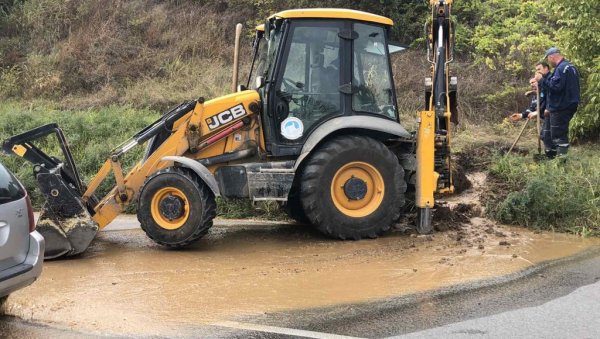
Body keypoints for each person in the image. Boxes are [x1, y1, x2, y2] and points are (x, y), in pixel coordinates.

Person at [534, 47, 580, 157]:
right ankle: (554, 159)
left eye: (548, 59)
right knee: (558, 133)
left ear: (552, 57)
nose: (549, 62)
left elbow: (556, 87)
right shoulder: (571, 67)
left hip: (562, 106)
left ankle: (560, 163)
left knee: (558, 135)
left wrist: (542, 80)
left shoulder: (561, 68)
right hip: (570, 104)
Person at [511, 61, 554, 158]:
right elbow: (532, 109)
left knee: (546, 135)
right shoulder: (535, 96)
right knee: (544, 135)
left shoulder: (546, 90)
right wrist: (521, 115)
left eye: (534, 82)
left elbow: (548, 104)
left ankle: (552, 157)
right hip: (546, 117)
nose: (532, 84)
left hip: (553, 115)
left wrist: (538, 112)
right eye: (530, 83)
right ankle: (551, 156)